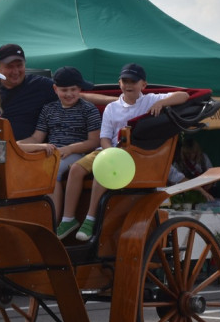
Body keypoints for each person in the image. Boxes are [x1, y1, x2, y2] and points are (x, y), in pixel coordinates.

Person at [62, 63, 190, 242]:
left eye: (133, 81)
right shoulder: (112, 108)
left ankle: (90, 219)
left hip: (134, 155)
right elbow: (104, 137)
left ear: (143, 85)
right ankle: (68, 219)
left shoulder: (150, 99)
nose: (128, 85)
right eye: (125, 81)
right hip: (109, 150)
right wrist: (110, 153)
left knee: (102, 172)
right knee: (75, 168)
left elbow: (184, 95)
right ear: (119, 83)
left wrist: (162, 102)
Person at [18, 66, 101, 232]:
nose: (69, 94)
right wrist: (16, 143)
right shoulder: (48, 109)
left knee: (51, 171)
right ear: (55, 89)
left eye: (73, 89)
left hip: (78, 153)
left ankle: (52, 223)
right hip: (52, 154)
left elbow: (93, 141)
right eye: (64, 90)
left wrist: (69, 149)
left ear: (80, 89)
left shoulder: (88, 109)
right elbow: (37, 138)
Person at [168, 135, 215, 201]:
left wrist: (208, 185)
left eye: (193, 153)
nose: (190, 155)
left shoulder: (203, 158)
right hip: (187, 194)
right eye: (188, 153)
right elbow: (176, 180)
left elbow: (212, 173)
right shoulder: (178, 163)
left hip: (205, 191)